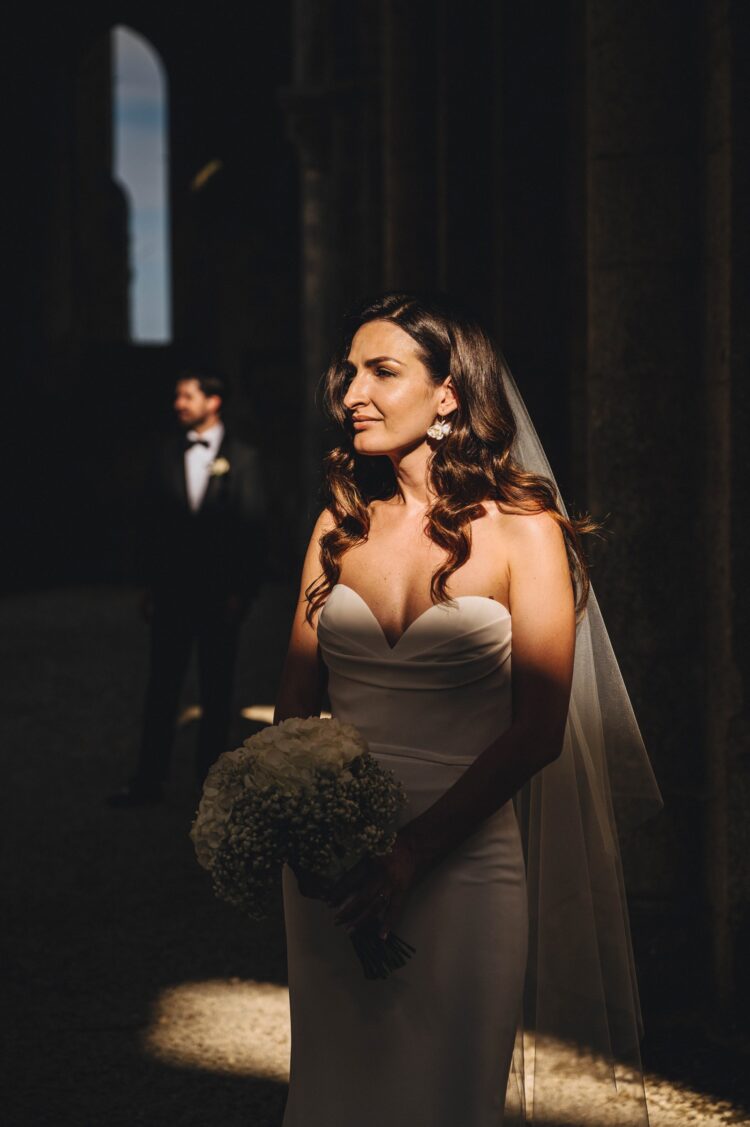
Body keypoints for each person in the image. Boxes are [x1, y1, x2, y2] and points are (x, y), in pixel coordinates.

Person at [274, 293, 662, 1126]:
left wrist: (411, 852)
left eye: (382, 371)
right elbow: (295, 712)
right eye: (349, 372)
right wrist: (317, 845)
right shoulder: (336, 525)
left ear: (448, 394)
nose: (352, 394)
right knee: (335, 1096)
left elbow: (538, 729)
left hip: (463, 866)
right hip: (334, 880)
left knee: (448, 1098)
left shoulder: (526, 532)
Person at [108, 368, 267, 808]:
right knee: (161, 688)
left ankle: (211, 788)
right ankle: (148, 780)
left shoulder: (245, 458)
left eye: (187, 395)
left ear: (213, 402)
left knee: (217, 692)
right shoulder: (163, 454)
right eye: (177, 396)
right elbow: (152, 524)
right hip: (173, 594)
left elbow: (252, 529)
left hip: (221, 597)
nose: (178, 403)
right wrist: (150, 585)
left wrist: (243, 591)